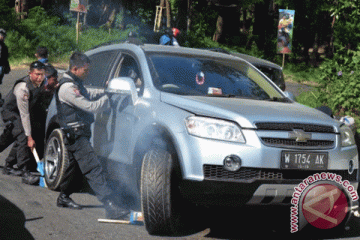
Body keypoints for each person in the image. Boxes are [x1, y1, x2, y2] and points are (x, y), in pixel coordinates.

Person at [55, 52, 129, 219]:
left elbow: (89, 92)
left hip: (77, 133)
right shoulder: (67, 88)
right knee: (94, 168)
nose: (88, 73)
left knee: (74, 168)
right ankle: (110, 206)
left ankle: (63, 197)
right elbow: (91, 106)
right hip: (75, 134)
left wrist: (107, 91)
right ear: (75, 69)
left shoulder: (76, 84)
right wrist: (109, 99)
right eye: (85, 70)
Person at [0, 61, 46, 183]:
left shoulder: (41, 83)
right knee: (22, 134)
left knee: (9, 137)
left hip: (23, 113)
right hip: (11, 112)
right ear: (30, 73)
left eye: (42, 74)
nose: (40, 77)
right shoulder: (23, 88)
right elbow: (24, 114)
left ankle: (9, 165)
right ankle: (25, 171)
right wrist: (29, 137)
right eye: (37, 74)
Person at [0, 28, 10, 105]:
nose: (3, 37)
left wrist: (6, 67)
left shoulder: (4, 46)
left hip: (1, 66)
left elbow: (5, 57)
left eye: (3, 35)